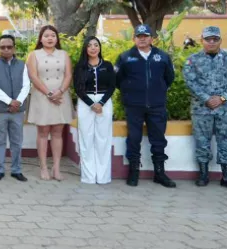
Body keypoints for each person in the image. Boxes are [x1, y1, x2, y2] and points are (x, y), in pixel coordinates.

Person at [182, 26, 227, 191]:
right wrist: (206, 98)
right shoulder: (192, 60)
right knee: (202, 141)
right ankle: (203, 174)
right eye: (208, 39)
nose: (211, 42)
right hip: (201, 109)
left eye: (215, 39)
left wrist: (222, 98)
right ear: (202, 40)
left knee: (226, 141)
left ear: (220, 41)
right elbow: (190, 82)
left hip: (225, 109)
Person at [116, 24, 176, 187]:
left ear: (151, 38)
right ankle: (134, 172)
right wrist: (130, 93)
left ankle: (159, 173)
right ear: (134, 38)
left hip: (157, 105)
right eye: (139, 36)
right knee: (134, 139)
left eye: (145, 36)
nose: (142, 39)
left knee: (158, 140)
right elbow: (118, 80)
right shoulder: (125, 57)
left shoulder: (162, 57)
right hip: (134, 105)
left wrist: (158, 91)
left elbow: (169, 78)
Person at [26, 25, 73, 182]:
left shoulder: (63, 54)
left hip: (61, 96)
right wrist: (49, 93)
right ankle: (44, 167)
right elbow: (33, 76)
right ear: (41, 38)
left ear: (57, 38)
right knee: (43, 132)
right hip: (42, 96)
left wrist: (59, 91)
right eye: (46, 35)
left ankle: (57, 167)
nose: (50, 38)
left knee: (58, 132)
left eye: (53, 35)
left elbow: (68, 75)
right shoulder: (34, 55)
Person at [0, 34, 30, 182]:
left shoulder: (22, 65)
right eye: (2, 47)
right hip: (0, 110)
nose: (6, 49)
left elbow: (26, 85)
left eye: (9, 47)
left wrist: (18, 102)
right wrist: (10, 101)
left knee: (17, 141)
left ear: (14, 48)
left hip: (18, 111)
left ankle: (16, 170)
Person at [73, 36, 114, 185]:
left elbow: (112, 86)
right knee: (86, 138)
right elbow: (78, 88)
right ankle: (89, 176)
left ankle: (103, 177)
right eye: (89, 45)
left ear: (99, 48)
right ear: (85, 48)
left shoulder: (108, 65)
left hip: (105, 103)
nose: (93, 48)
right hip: (86, 103)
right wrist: (91, 104)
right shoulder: (80, 67)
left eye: (96, 45)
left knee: (103, 139)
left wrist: (101, 102)